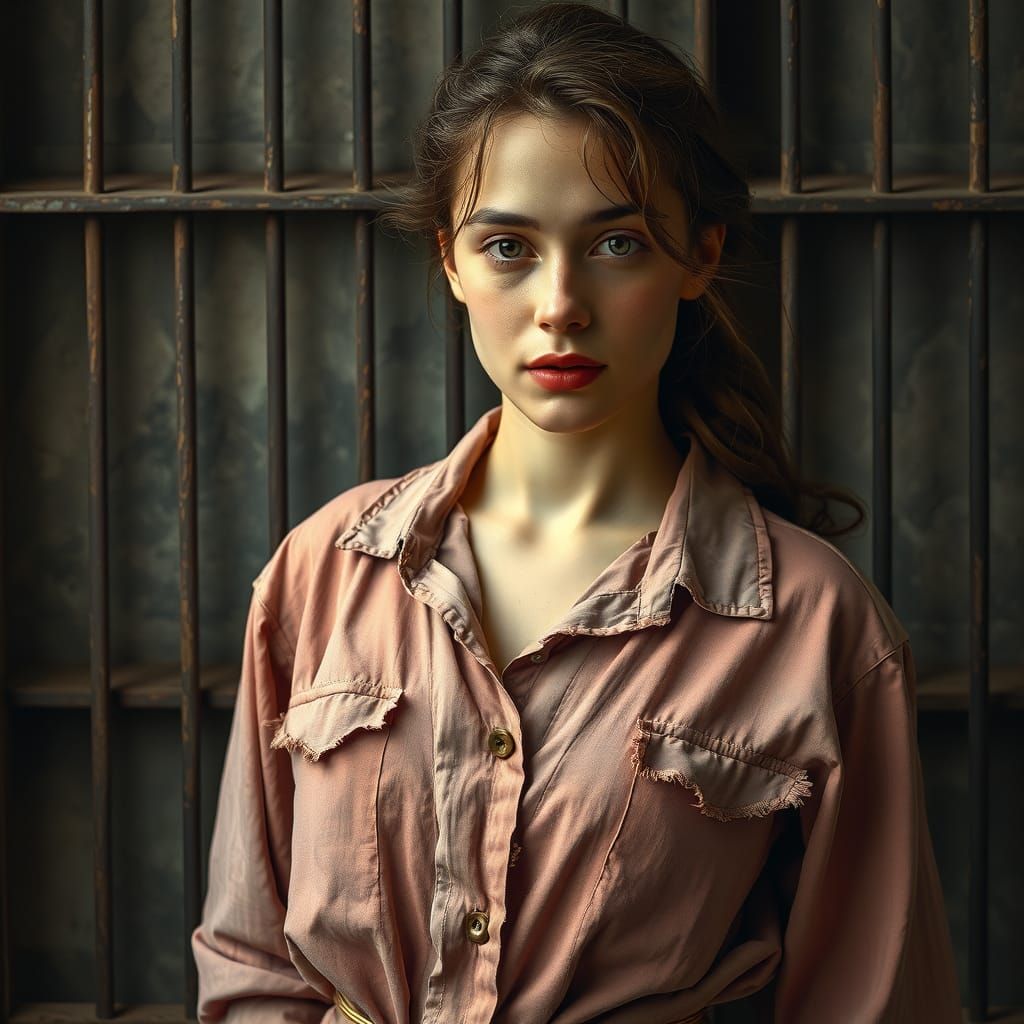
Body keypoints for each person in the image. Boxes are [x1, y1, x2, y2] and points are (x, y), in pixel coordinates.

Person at [191, 3, 963, 1022]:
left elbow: (870, 1002)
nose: (561, 302)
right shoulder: (321, 572)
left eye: (617, 242)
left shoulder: (819, 626)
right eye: (508, 245)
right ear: (450, 261)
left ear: (697, 256)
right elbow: (250, 962)